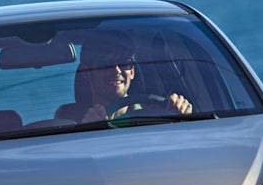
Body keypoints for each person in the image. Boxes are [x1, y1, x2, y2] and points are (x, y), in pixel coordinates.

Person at [58, 32, 193, 123]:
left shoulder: (158, 115)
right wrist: (87, 131)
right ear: (86, 72)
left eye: (124, 63)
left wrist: (184, 118)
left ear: (132, 71)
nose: (116, 70)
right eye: (105, 63)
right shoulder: (70, 123)